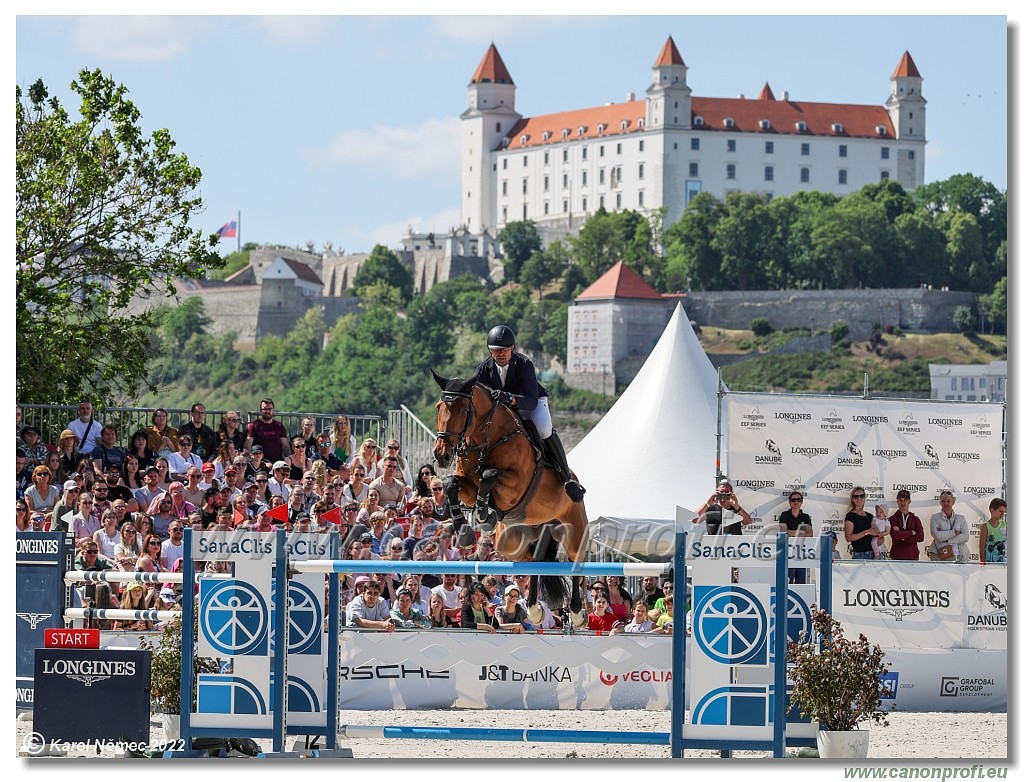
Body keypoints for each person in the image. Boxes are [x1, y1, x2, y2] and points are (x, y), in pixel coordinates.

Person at [476, 324, 584, 502]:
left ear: (512, 348)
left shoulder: (524, 364)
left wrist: (509, 398)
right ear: (490, 350)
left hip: (529, 403)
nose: (500, 354)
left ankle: (566, 478)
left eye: (504, 350)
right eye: (496, 350)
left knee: (543, 428)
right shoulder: (483, 369)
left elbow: (531, 400)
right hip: (502, 410)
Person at [779, 491, 813, 582]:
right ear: (789, 502)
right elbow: (783, 532)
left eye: (798, 500)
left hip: (801, 552)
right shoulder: (784, 515)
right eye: (793, 500)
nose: (796, 502)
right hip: (788, 552)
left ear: (802, 502)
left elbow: (810, 534)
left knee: (801, 581)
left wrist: (792, 533)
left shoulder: (805, 517)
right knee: (788, 580)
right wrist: (800, 532)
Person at [928, 490, 971, 563]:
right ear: (940, 503)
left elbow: (965, 537)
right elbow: (937, 536)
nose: (946, 503)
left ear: (953, 502)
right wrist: (954, 533)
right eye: (943, 501)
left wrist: (946, 540)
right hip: (939, 556)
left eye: (948, 501)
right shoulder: (934, 517)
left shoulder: (961, 518)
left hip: (959, 556)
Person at [243, 398, 290, 464]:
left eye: (270, 409)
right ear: (260, 410)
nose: (267, 411)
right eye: (265, 409)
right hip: (260, 462)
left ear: (273, 410)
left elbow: (285, 446)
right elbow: (247, 446)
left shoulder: (279, 426)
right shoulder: (253, 426)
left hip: (278, 462)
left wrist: (289, 460)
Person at [844, 486, 880, 560]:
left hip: (873, 553)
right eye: (856, 497)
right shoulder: (850, 516)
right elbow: (848, 538)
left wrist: (879, 534)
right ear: (853, 499)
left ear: (865, 498)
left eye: (862, 496)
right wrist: (866, 532)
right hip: (859, 555)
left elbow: (877, 534)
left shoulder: (870, 516)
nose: (859, 499)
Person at [979, 497, 1007, 564]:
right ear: (992, 510)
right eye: (1000, 511)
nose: (1002, 514)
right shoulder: (985, 526)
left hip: (1003, 562)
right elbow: (982, 547)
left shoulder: (1005, 524)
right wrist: (983, 564)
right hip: (990, 562)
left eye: (1004, 512)